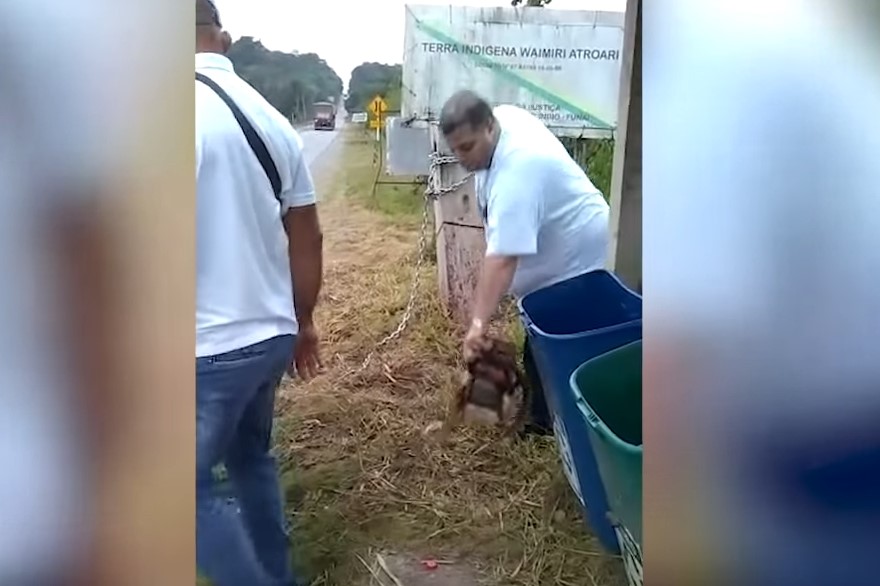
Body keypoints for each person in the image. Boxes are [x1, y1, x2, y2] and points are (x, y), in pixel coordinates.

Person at [195, 1, 323, 584]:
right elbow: (307, 235)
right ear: (222, 37)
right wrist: (303, 322)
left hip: (206, 348)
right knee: (251, 461)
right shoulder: (270, 118)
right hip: (269, 335)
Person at [439, 90, 610, 435]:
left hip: (578, 263)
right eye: (454, 149)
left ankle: (560, 427)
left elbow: (502, 258)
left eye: (468, 147)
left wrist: (477, 326)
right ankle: (546, 418)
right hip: (555, 258)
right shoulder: (502, 122)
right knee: (539, 344)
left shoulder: (519, 170)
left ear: (489, 127)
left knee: (560, 349)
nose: (462, 159)